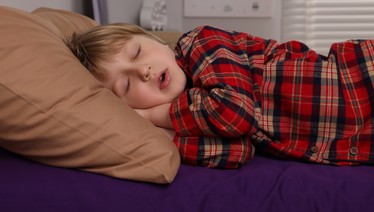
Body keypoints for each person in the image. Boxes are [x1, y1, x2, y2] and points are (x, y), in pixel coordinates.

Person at [66, 23, 374, 169]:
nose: (143, 71)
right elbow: (237, 152)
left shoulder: (201, 43)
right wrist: (161, 132)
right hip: (360, 138)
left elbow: (234, 112)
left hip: (361, 79)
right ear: (126, 106)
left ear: (155, 40)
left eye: (137, 52)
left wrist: (149, 116)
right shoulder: (191, 115)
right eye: (128, 86)